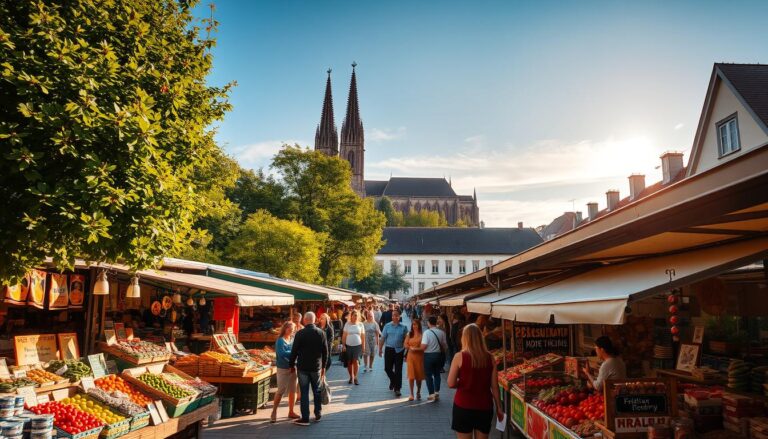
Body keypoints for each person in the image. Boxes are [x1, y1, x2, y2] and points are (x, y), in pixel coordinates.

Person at [448, 324, 503, 439]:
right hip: (484, 407)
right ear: (480, 338)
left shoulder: (459, 356)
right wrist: (499, 407)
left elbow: (450, 383)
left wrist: (464, 382)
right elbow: (495, 386)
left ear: (465, 338)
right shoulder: (490, 357)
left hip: (463, 405)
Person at [288, 312, 328, 426]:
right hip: (316, 367)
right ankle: (318, 413)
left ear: (305, 320)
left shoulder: (300, 333)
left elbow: (294, 350)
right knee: (317, 391)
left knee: (304, 392)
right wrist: (324, 366)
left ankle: (305, 418)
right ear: (314, 320)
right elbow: (326, 352)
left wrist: (291, 365)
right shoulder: (321, 333)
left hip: (303, 367)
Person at [271, 322, 299, 422]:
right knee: (281, 390)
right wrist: (295, 352)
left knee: (293, 390)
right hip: (283, 368)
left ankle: (291, 411)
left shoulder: (292, 339)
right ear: (285, 328)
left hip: (293, 367)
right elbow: (282, 354)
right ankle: (274, 411)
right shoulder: (280, 341)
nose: (291, 331)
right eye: (290, 329)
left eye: (293, 330)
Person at [379, 309, 408, 397]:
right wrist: (380, 349)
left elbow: (406, 340)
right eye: (393, 315)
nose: (394, 317)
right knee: (387, 368)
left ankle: (397, 389)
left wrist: (407, 352)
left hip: (399, 350)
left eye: (396, 315)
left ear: (400, 316)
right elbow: (383, 338)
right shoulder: (387, 326)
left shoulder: (404, 327)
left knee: (398, 370)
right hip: (389, 350)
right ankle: (393, 381)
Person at [422, 316, 449, 401]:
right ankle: (437, 391)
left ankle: (431, 393)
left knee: (428, 375)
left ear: (429, 323)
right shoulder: (441, 332)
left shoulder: (426, 333)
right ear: (436, 322)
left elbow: (424, 346)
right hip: (438, 356)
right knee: (437, 374)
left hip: (428, 356)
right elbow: (445, 346)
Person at [404, 317, 425, 401]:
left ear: (419, 325)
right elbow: (405, 344)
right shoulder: (409, 334)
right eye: (413, 324)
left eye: (415, 324)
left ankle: (418, 391)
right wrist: (410, 347)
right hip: (410, 356)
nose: (414, 326)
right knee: (411, 376)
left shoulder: (422, 335)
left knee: (419, 376)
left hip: (419, 357)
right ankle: (411, 394)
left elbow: (423, 347)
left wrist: (416, 349)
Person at [342, 310, 365, 385]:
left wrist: (363, 346)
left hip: (358, 346)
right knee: (349, 362)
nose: (355, 317)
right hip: (348, 346)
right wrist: (343, 345)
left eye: (356, 315)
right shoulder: (347, 324)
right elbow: (344, 336)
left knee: (356, 361)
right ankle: (350, 377)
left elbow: (363, 336)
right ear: (351, 316)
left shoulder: (361, 324)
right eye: (354, 315)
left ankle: (355, 377)